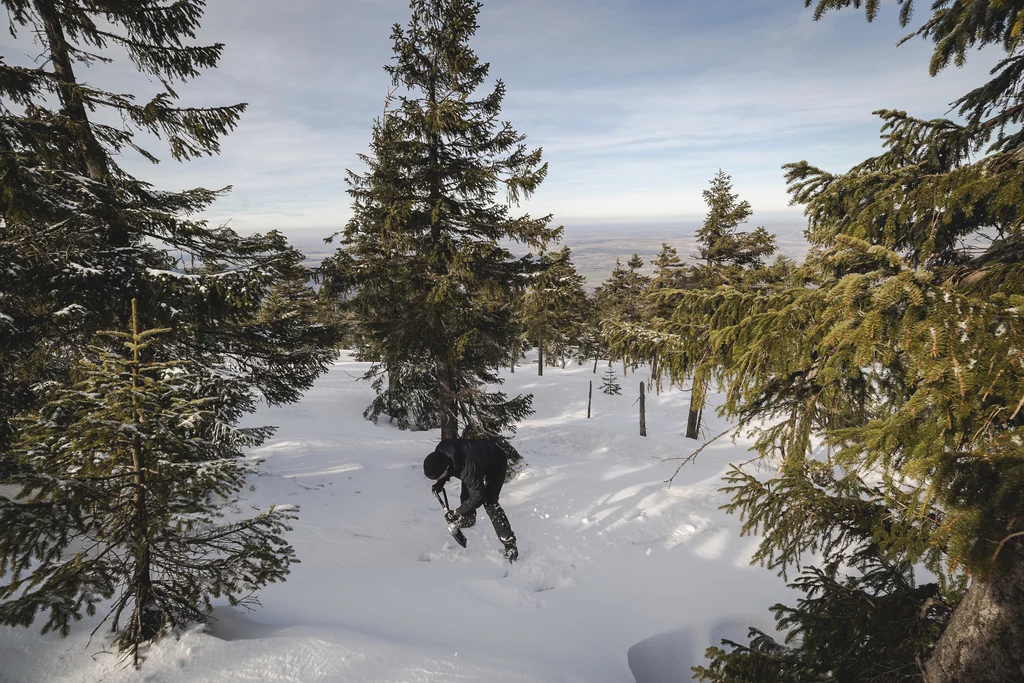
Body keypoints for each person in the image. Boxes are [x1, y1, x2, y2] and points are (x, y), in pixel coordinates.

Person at [423, 438, 519, 562]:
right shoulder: (440, 452)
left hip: (495, 461)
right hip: (476, 459)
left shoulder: (467, 469)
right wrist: (440, 482)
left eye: (437, 477)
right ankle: (468, 518)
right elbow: (449, 471)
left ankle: (510, 545)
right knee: (466, 494)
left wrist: (458, 512)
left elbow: (478, 496)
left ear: (445, 468)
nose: (436, 480)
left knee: (490, 502)